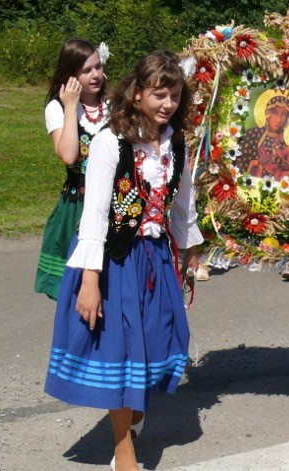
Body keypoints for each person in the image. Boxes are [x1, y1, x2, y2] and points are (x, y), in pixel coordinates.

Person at [44, 51, 203, 471]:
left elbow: (182, 203)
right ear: (136, 94)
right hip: (114, 259)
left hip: (155, 257)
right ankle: (123, 448)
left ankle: (133, 413)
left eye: (173, 95)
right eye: (158, 94)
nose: (167, 103)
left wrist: (189, 249)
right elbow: (94, 213)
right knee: (120, 350)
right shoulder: (110, 142)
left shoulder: (178, 143)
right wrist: (91, 282)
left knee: (156, 340)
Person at [34, 39, 109, 300]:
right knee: (77, 293)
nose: (95, 75)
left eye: (98, 67)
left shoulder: (113, 106)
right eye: (86, 70)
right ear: (70, 74)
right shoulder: (57, 108)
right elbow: (68, 155)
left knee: (112, 287)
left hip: (114, 205)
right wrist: (70, 106)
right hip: (78, 206)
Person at [235, 95, 289, 178]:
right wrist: (257, 162)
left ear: (288, 118)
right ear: (268, 113)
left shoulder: (286, 141)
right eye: (275, 113)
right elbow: (241, 162)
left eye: (283, 114)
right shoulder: (252, 134)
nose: (278, 119)